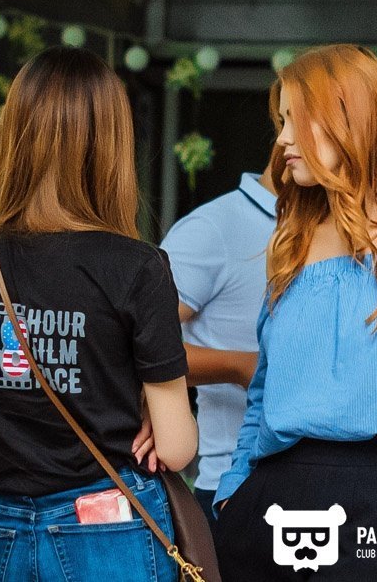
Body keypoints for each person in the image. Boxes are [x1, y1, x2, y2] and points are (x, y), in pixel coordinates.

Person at [213, 44, 377, 581]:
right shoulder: (291, 242)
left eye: (297, 120)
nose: (282, 140)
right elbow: (263, 392)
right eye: (282, 122)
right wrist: (233, 494)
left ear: (349, 120)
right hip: (269, 504)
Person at [0, 46, 196, 582]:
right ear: (111, 145)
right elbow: (174, 449)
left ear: (16, 136)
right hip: (105, 525)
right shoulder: (137, 265)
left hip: (0, 527)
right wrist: (140, 401)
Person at [161, 164, 277, 522]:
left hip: (327, 481)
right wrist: (239, 366)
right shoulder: (212, 227)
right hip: (232, 486)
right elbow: (134, 345)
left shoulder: (339, 228)